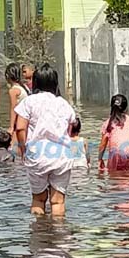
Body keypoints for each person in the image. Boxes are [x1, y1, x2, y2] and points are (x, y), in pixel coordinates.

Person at [15, 64, 76, 216]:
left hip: (37, 155)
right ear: (55, 82)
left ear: (36, 82)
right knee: (58, 201)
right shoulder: (63, 103)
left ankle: (39, 235)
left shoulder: (29, 102)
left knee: (38, 200)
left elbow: (20, 128)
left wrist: (23, 150)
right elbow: (69, 130)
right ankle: (59, 235)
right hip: (61, 156)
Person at [99, 94, 129, 172]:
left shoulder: (108, 123)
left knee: (113, 174)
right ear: (126, 108)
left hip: (117, 151)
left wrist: (100, 159)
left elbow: (103, 145)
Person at [5, 63, 28, 138]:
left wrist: (11, 127)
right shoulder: (23, 87)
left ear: (7, 76)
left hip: (20, 120)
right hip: (26, 118)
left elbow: (13, 108)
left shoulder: (13, 90)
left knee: (14, 145)